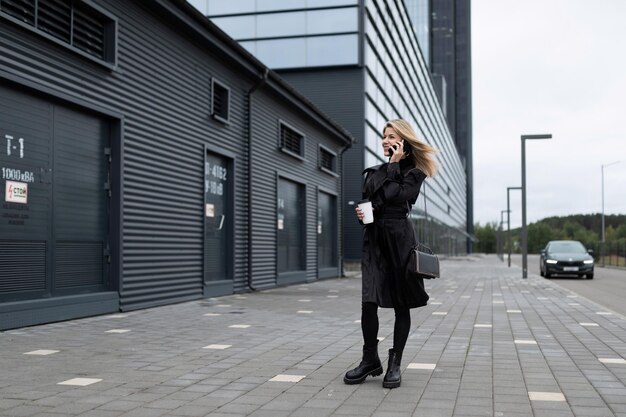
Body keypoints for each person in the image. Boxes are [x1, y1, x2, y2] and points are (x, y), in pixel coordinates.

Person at [343, 119, 437, 389]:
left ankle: (395, 364)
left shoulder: (415, 173)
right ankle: (370, 359)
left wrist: (395, 164)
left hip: (399, 242)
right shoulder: (373, 172)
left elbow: (398, 194)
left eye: (391, 136)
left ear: (403, 140)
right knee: (368, 301)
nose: (384, 140)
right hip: (374, 242)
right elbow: (370, 209)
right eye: (384, 136)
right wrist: (363, 214)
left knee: (401, 303)